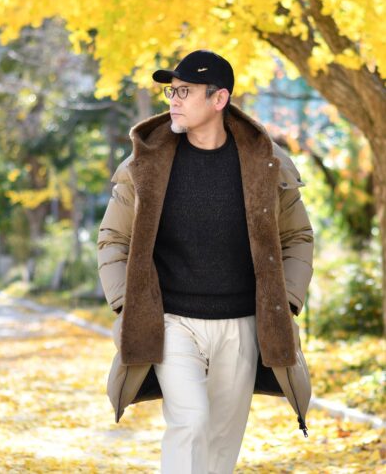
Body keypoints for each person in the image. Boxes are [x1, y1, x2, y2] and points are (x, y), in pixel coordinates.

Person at [97, 50, 314, 474]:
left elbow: (297, 237)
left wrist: (285, 301)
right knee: (191, 421)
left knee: (220, 444)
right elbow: (113, 239)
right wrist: (127, 304)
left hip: (242, 325)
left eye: (185, 91)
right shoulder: (145, 163)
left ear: (219, 99)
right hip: (171, 322)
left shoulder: (265, 162)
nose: (173, 100)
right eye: (171, 91)